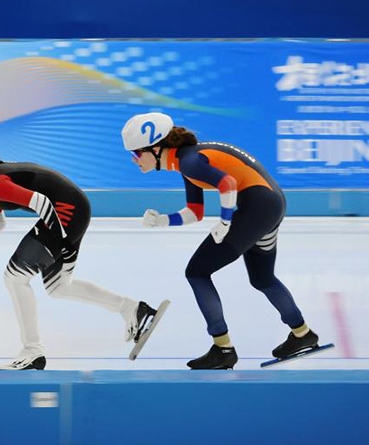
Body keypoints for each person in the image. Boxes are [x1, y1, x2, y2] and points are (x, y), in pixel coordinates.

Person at [0, 123, 165, 370]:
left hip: (65, 210)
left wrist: (63, 240)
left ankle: (32, 352)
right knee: (59, 286)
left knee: (15, 277)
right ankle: (133, 309)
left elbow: (42, 202)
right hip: (71, 208)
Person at [121, 112, 321, 369]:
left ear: (156, 148)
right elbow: (195, 212)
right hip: (270, 205)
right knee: (262, 278)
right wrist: (162, 220)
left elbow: (227, 183)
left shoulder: (190, 161)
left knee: (197, 272)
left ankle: (223, 348)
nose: (134, 159)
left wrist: (225, 221)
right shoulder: (185, 161)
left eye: (137, 153)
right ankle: (303, 334)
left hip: (258, 207)